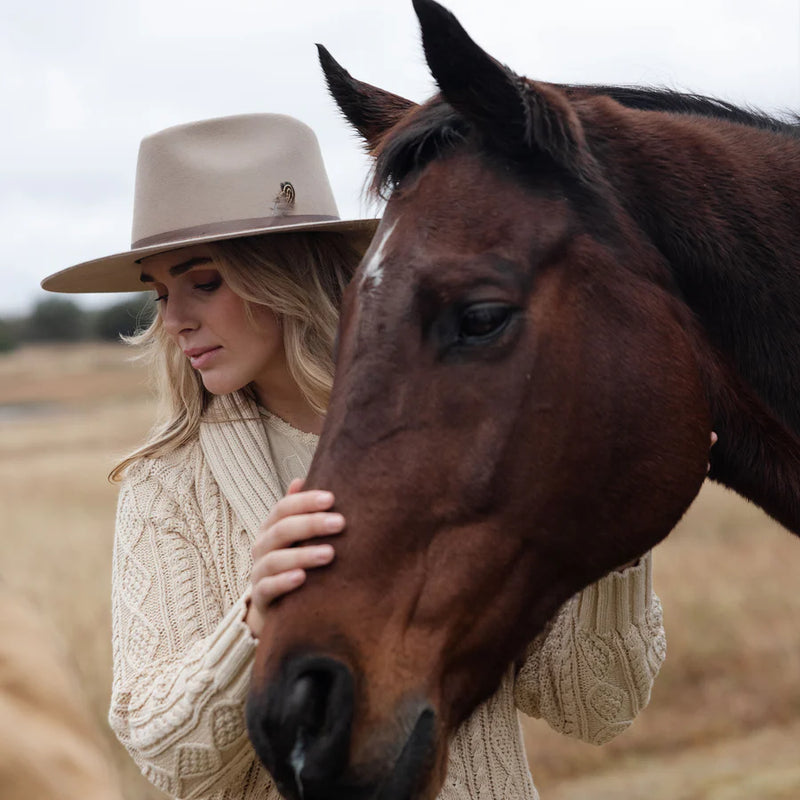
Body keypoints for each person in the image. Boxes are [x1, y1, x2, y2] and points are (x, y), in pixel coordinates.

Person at [43, 113, 669, 800]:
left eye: (204, 282)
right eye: (160, 291)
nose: (173, 319)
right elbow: (166, 760)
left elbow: (595, 708)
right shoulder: (167, 486)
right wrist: (255, 617)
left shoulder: (459, 436)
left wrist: (619, 528)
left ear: (285, 271)